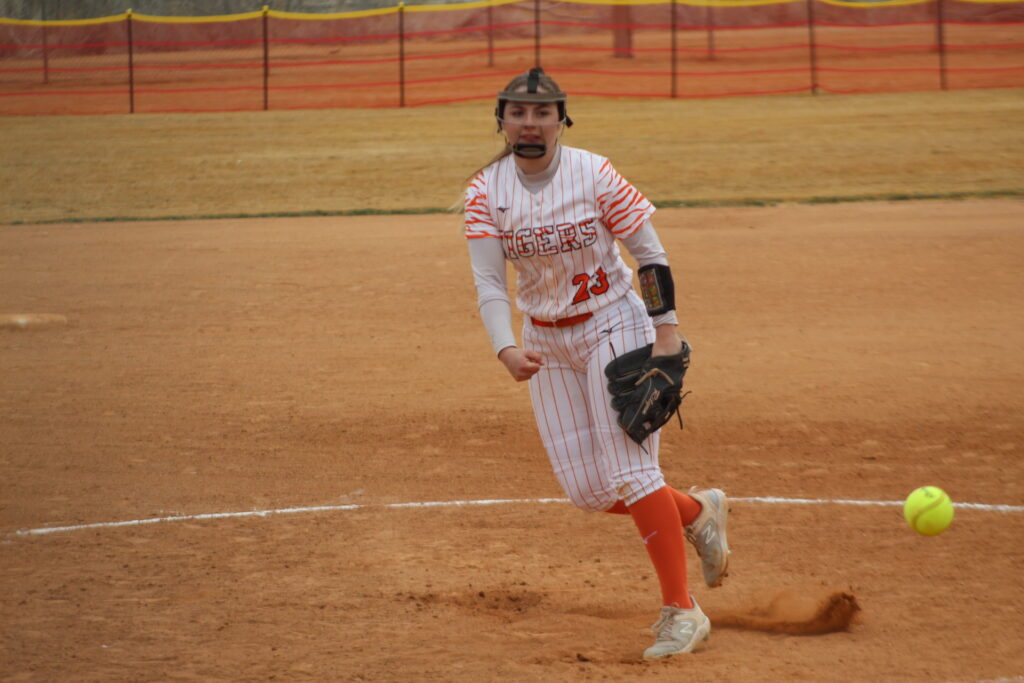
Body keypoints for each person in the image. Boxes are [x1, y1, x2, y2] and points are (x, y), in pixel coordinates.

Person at [463, 67, 731, 660]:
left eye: (543, 112)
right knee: (587, 490)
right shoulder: (485, 192)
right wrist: (504, 346)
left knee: (632, 473)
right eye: (518, 112)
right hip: (546, 341)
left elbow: (651, 257)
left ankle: (682, 613)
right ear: (501, 119)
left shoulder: (594, 172)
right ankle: (697, 510)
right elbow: (488, 282)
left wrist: (667, 333)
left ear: (562, 118)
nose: (530, 123)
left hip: (615, 322)